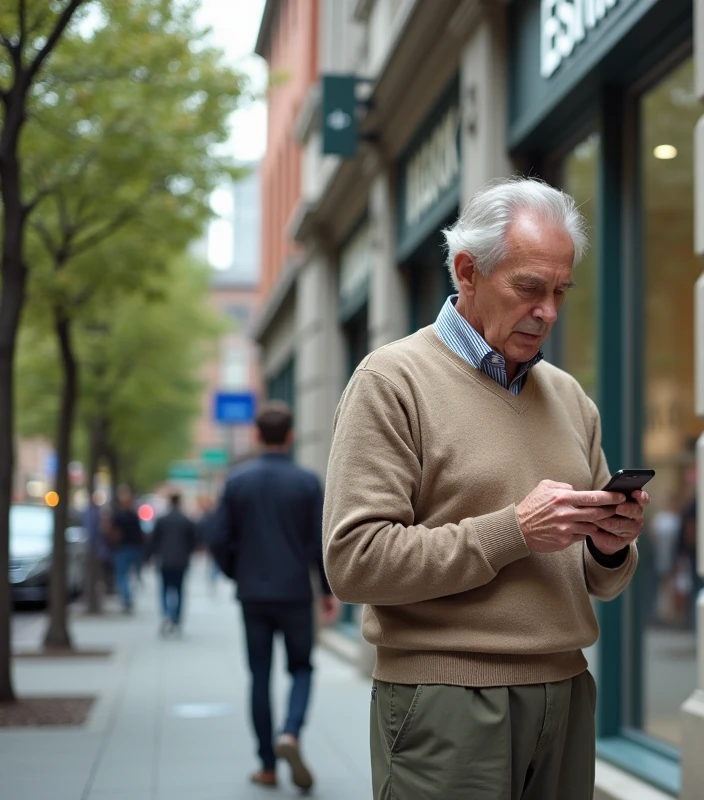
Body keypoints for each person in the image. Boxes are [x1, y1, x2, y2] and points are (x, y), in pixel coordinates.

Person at [323, 177, 650, 800]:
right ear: (467, 271)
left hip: (568, 693)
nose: (548, 310)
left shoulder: (570, 398)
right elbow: (353, 563)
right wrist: (514, 531)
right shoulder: (391, 381)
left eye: (559, 291)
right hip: (446, 701)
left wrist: (610, 544)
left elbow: (603, 579)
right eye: (529, 287)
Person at [209, 402, 340, 792]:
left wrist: (238, 573)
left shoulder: (237, 481)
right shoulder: (306, 482)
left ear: (255, 435)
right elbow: (321, 541)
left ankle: (267, 766)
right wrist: (327, 591)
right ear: (290, 436)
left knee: (259, 677)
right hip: (296, 592)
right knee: (301, 668)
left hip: (253, 595)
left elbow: (217, 538)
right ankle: (291, 734)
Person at [146, 491, 198, 636]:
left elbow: (154, 540)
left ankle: (166, 614)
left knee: (164, 589)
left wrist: (149, 556)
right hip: (181, 561)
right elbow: (193, 541)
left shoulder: (162, 520)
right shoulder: (186, 520)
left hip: (165, 560)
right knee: (179, 590)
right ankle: (176, 619)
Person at [106, 486, 145, 614]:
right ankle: (127, 597)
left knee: (122, 576)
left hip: (122, 548)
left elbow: (111, 531)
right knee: (129, 575)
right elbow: (140, 534)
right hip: (133, 548)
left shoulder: (117, 516)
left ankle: (126, 599)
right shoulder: (134, 516)